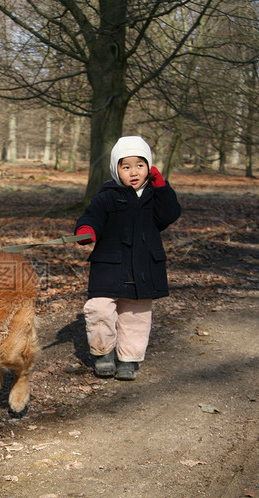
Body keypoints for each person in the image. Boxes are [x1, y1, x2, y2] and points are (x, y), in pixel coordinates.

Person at [74, 136, 181, 380]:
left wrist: (162, 188)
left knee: (136, 316)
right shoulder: (107, 196)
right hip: (108, 264)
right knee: (99, 307)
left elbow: (170, 214)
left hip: (144, 266)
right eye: (126, 166)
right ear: (116, 169)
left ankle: (128, 359)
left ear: (150, 168)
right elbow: (91, 217)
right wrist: (85, 231)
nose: (133, 172)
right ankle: (103, 353)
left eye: (140, 165)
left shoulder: (156, 197)